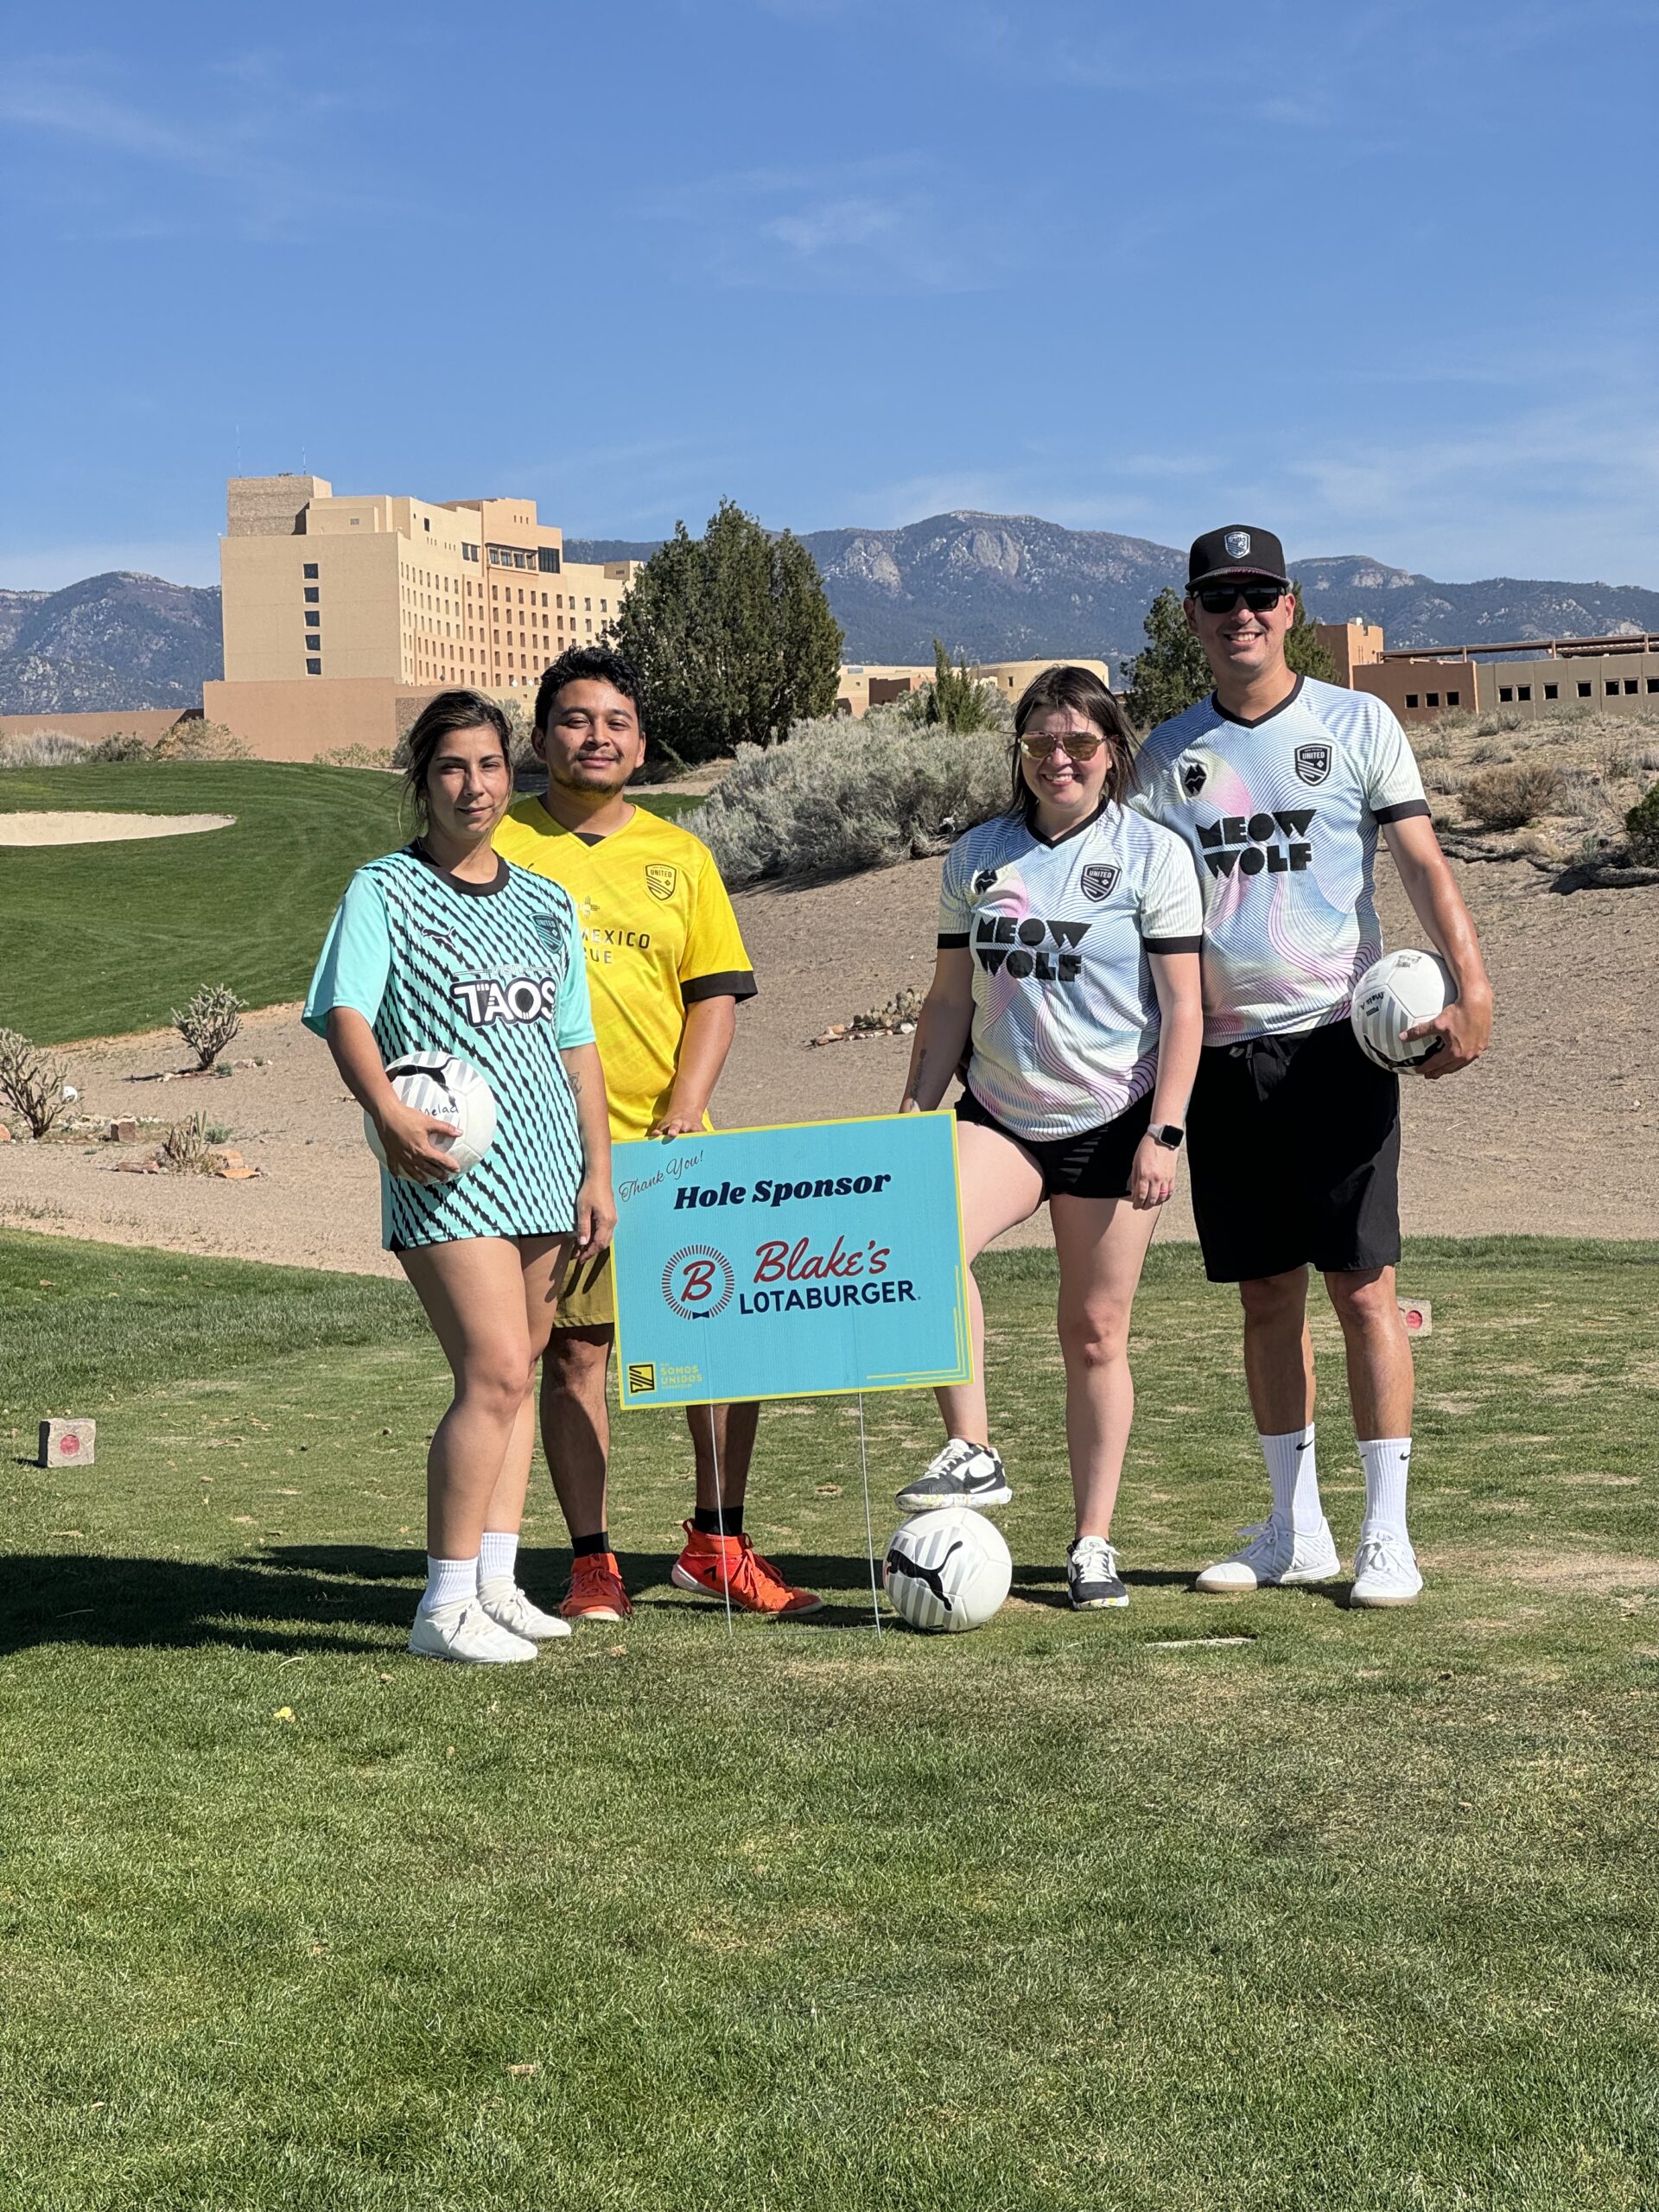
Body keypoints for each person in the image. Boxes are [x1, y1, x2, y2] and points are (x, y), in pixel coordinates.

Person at [1133, 525, 1493, 1607]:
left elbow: (1425, 868)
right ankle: (1297, 1529)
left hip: (1341, 1047)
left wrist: (1476, 994)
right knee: (1264, 1299)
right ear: (1191, 615)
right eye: (1218, 598)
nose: (1239, 614)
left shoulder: (1358, 721)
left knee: (1364, 1292)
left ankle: (1389, 1533)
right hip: (1224, 1056)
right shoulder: (1166, 756)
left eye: (1258, 594)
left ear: (1290, 607)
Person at [493, 645, 822, 1621]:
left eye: (617, 722)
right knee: (576, 1356)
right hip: (545, 1153)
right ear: (542, 734)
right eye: (576, 718)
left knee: (727, 1351)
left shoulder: (682, 854)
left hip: (673, 1149)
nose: (597, 736)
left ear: (641, 741)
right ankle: (593, 1561)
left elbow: (715, 995)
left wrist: (685, 1105)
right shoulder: (500, 842)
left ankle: (717, 1542)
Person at [304, 690, 615, 1664]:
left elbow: (575, 1046)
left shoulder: (543, 899)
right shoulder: (383, 890)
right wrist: (387, 1112)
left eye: (488, 766)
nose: (472, 786)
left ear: (509, 774)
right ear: (421, 778)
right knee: (489, 1372)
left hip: (543, 1170)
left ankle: (493, 1581)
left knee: (519, 1376)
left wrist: (597, 1168)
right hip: (443, 1174)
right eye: (451, 767)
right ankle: (441, 1607)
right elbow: (347, 1013)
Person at [896, 665, 1205, 1610]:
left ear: (1112, 751)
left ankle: (1093, 1543)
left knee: (1096, 1334)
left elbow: (1184, 1010)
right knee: (922, 1235)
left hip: (1115, 1123)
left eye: (1078, 744)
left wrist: (1165, 1132)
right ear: (1019, 755)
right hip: (1000, 1110)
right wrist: (913, 1113)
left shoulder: (1152, 854)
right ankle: (973, 1447)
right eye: (1039, 745)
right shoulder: (978, 856)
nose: (1058, 760)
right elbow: (950, 999)